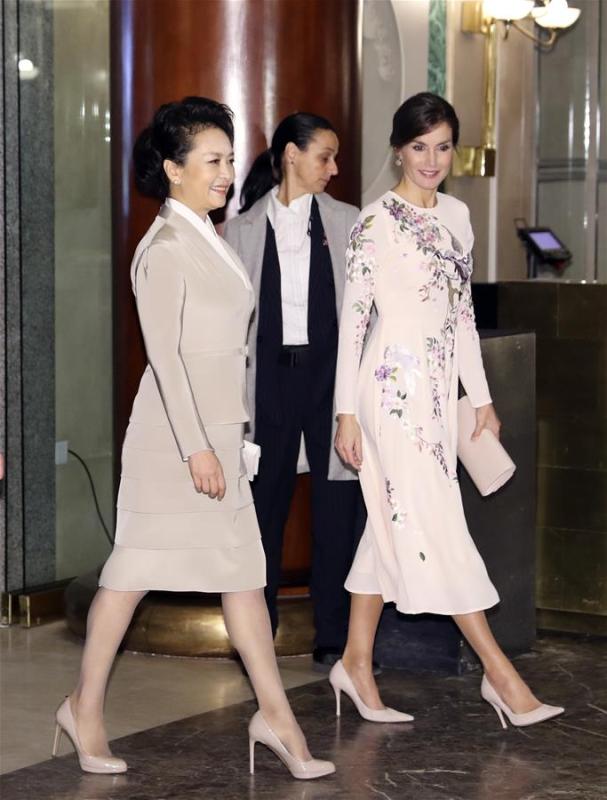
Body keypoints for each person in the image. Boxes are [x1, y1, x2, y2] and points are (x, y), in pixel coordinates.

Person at [53, 97, 334, 780]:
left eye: (230, 159)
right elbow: (166, 358)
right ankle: (84, 708)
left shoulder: (209, 236)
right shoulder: (164, 247)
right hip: (172, 440)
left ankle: (277, 719)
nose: (226, 172)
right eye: (212, 160)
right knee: (129, 576)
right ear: (172, 169)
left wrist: (228, 438)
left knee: (243, 576)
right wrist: (195, 448)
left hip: (217, 436)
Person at [331, 92, 564, 728]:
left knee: (392, 523)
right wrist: (344, 413)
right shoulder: (374, 223)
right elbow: (353, 325)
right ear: (398, 150)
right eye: (418, 147)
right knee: (437, 523)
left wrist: (481, 399)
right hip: (387, 389)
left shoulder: (459, 216)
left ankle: (354, 662)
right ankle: (502, 676)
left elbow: (461, 316)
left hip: (436, 395)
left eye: (441, 146)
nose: (431, 159)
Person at [223, 114, 366, 670]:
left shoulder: (349, 222)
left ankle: (333, 636)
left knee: (337, 509)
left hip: (331, 381)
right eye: (324, 156)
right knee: (264, 509)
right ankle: (259, 633)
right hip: (269, 382)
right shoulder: (240, 230)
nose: (333, 168)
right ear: (290, 155)